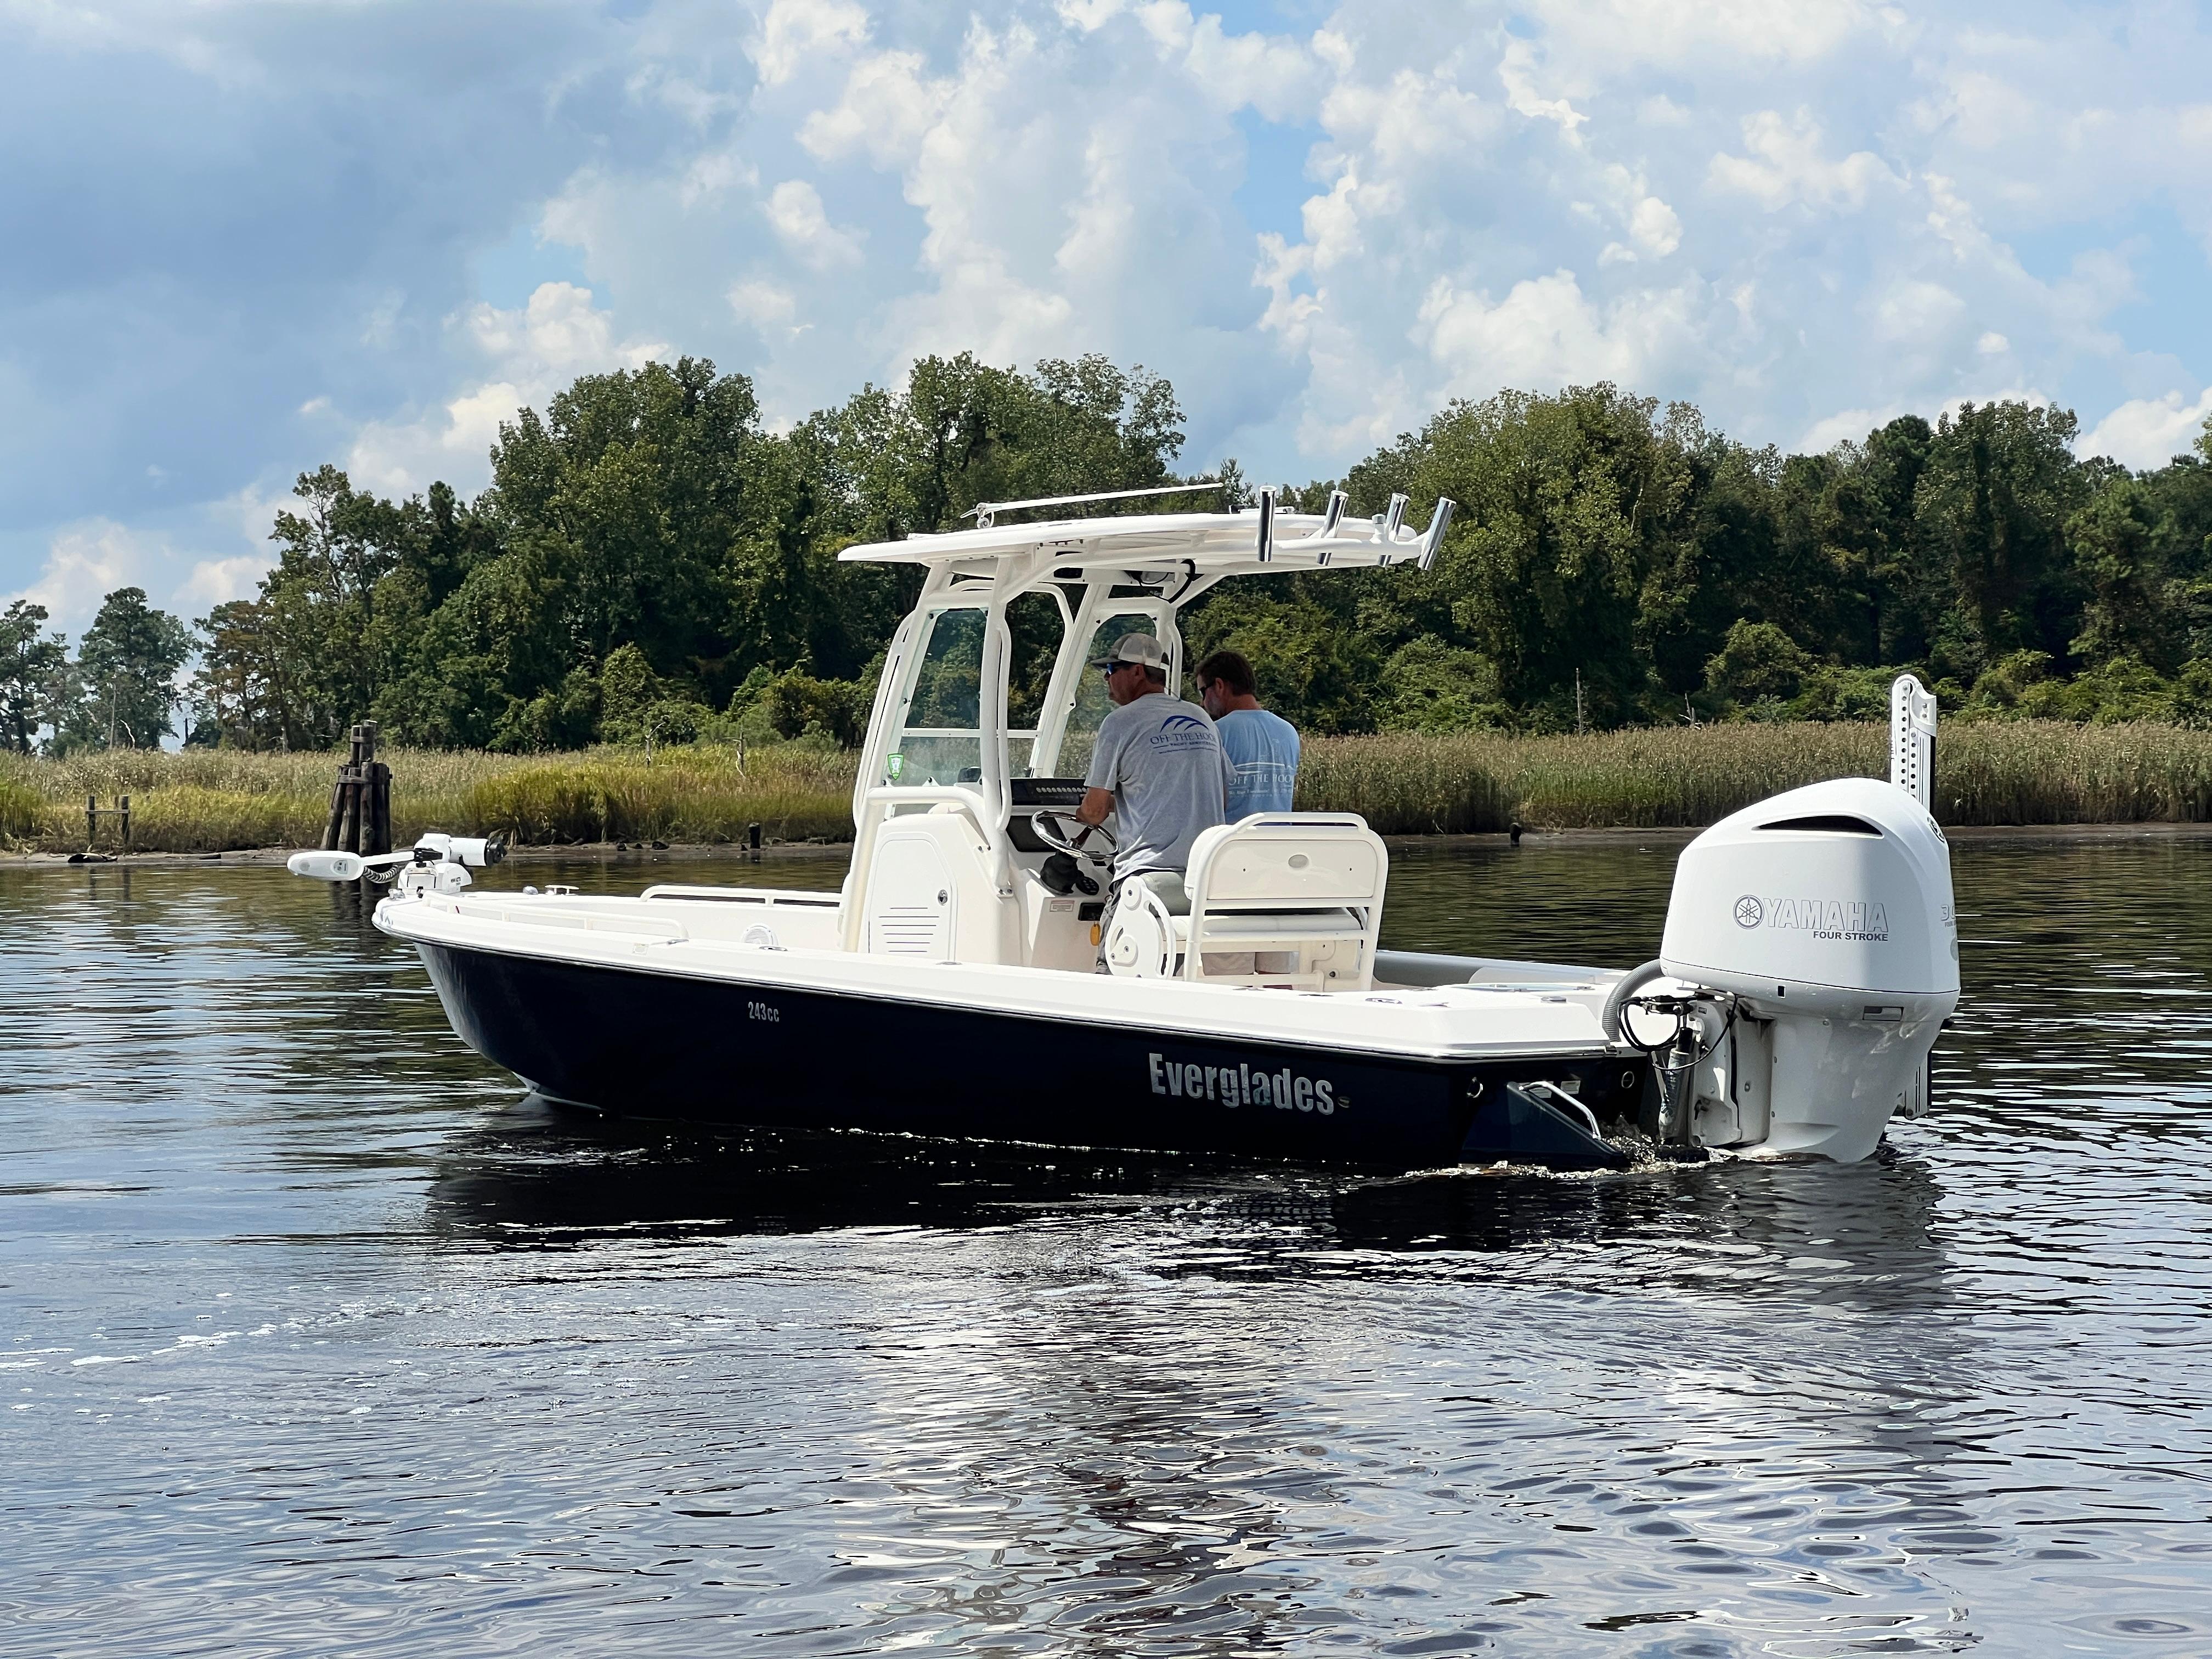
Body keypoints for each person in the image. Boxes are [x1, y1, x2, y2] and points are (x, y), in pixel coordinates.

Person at [1074, 634, 1233, 899]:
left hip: (1147, 877)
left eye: (1112, 669)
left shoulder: (1119, 723)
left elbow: (1094, 812)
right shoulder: (1200, 716)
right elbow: (1220, 797)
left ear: (1137, 671)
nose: (1106, 678)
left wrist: (1081, 813)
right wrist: (1122, 803)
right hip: (1204, 876)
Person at [1197, 648, 1300, 819]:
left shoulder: (1214, 733)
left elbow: (1204, 801)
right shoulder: (1289, 731)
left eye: (1203, 692)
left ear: (1219, 686)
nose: (1202, 702)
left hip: (1231, 843)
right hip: (1279, 841)